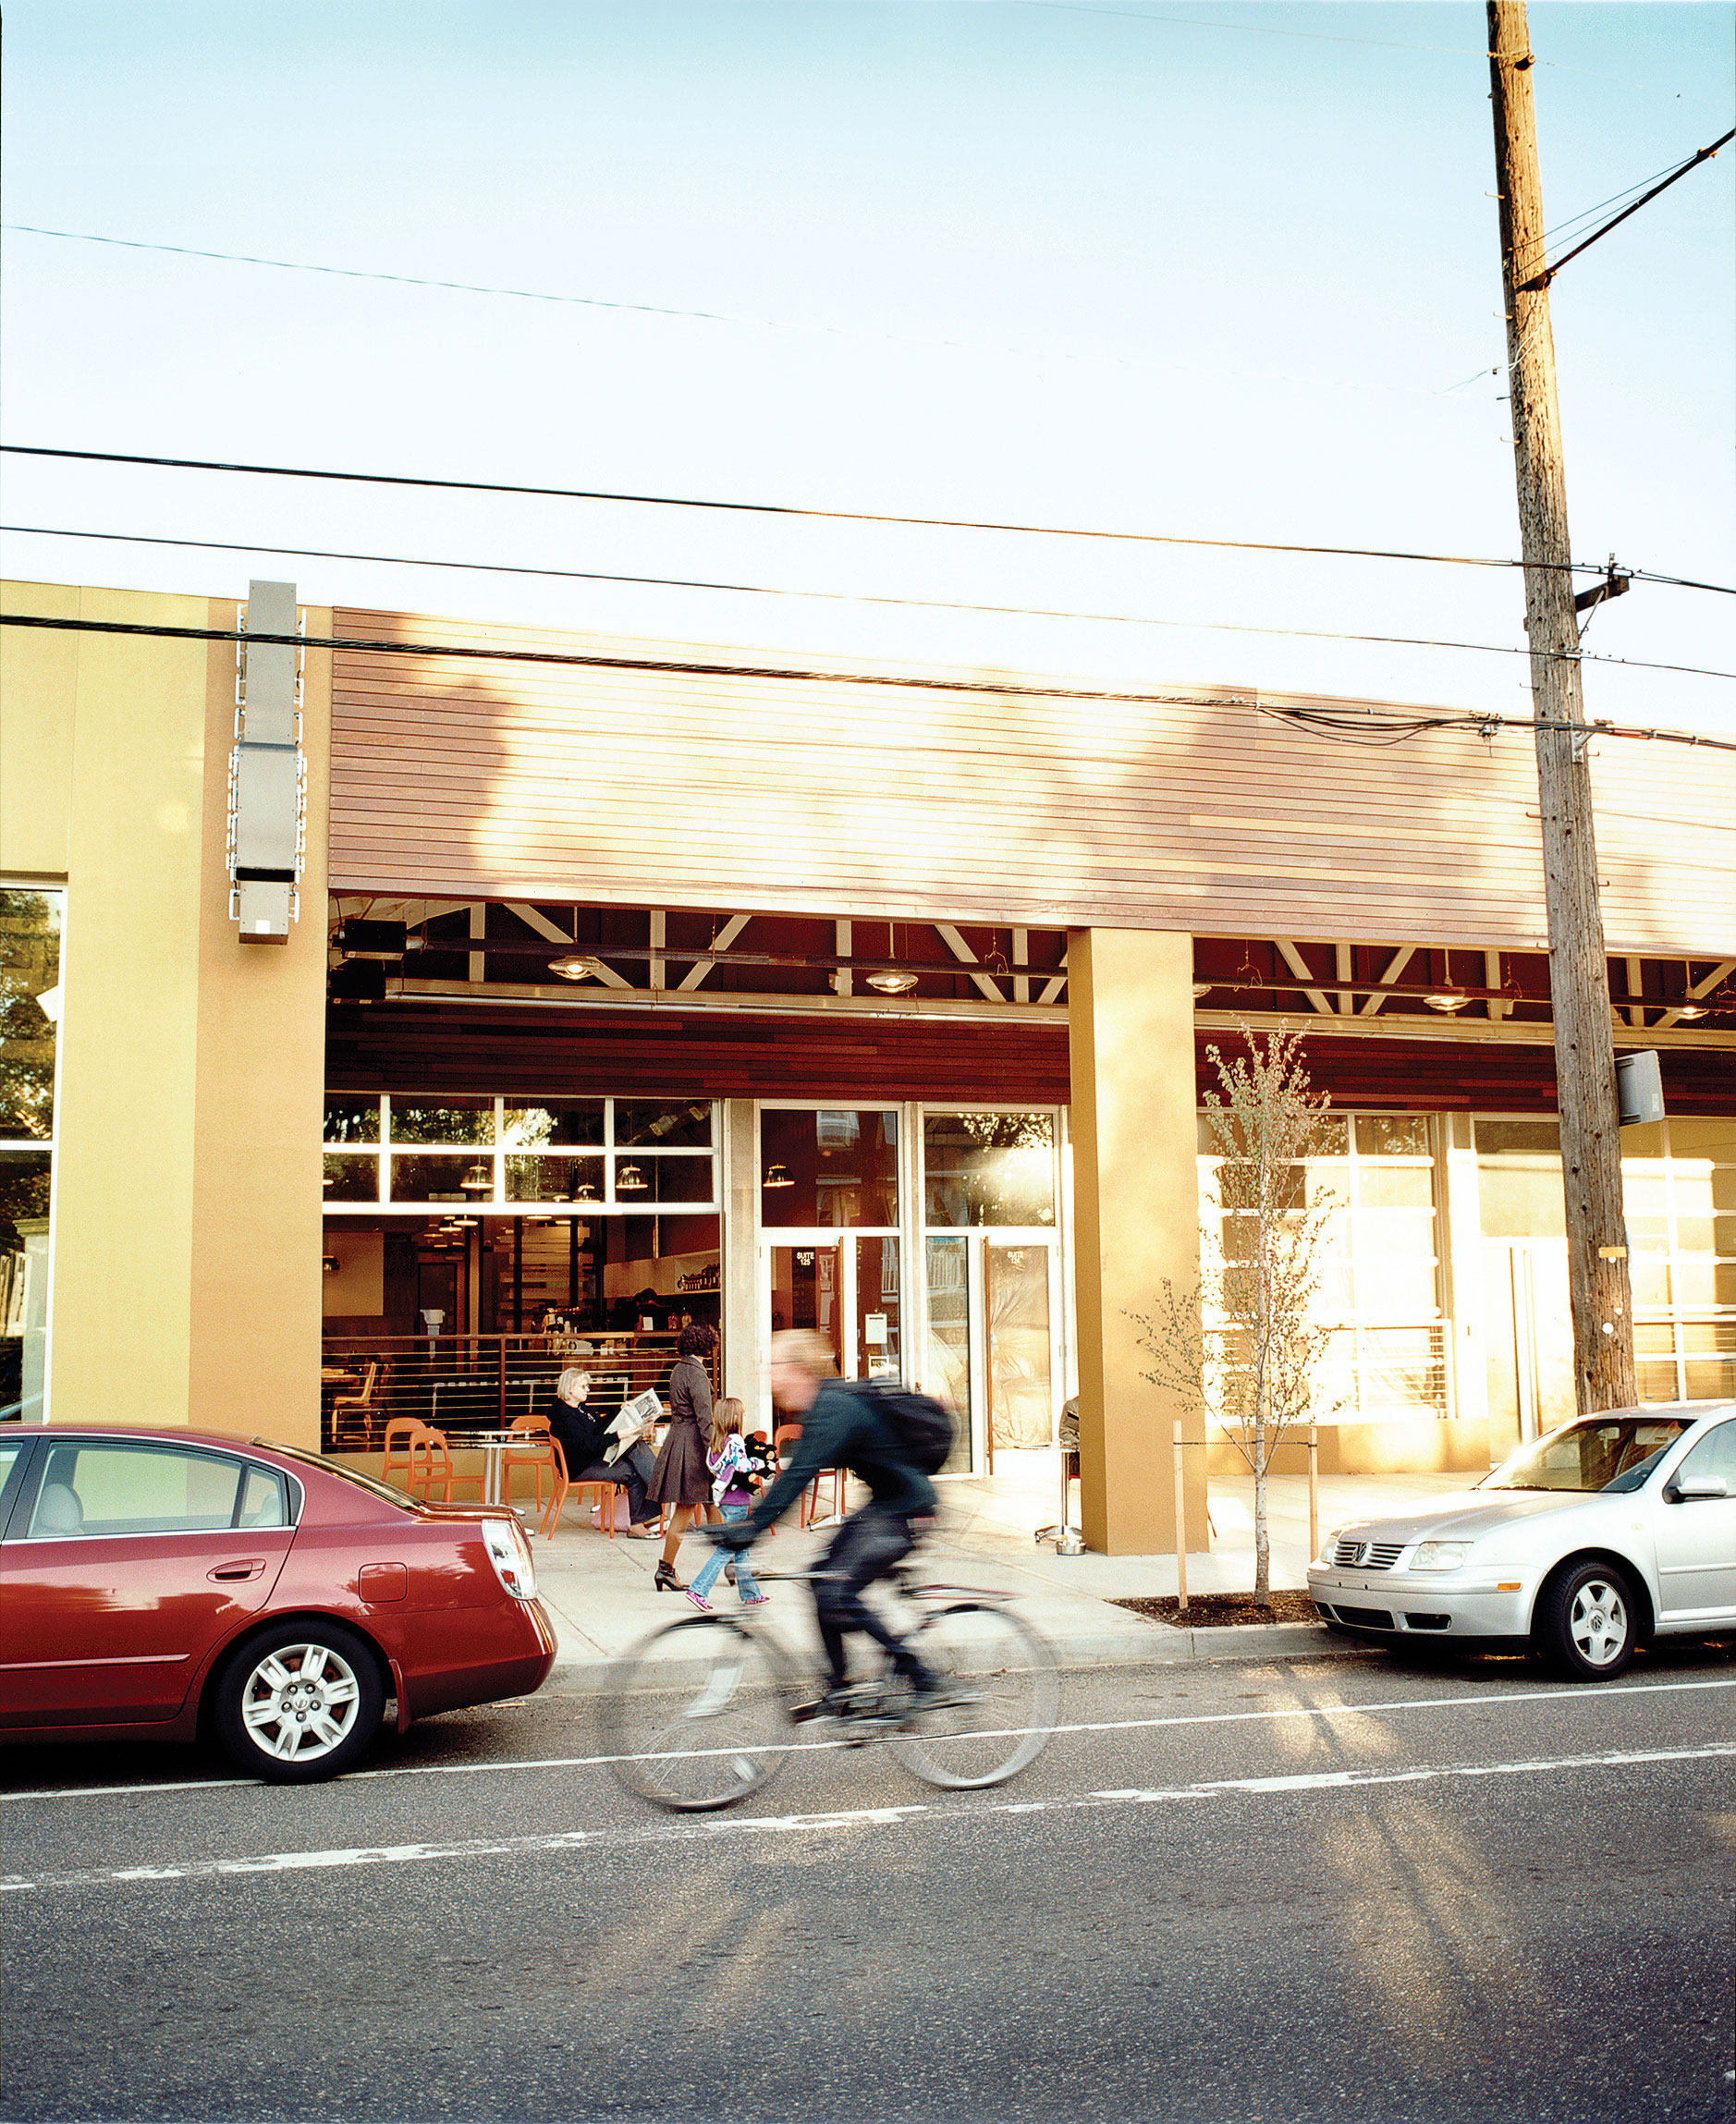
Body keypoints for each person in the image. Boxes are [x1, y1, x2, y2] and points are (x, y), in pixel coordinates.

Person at [704, 1328, 956, 1715]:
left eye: (774, 1366)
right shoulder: (825, 1405)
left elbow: (796, 1477)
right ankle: (840, 1691)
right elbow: (796, 1475)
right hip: (887, 1505)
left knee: (836, 1592)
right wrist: (748, 1528)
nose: (768, 1377)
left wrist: (749, 1531)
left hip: (907, 1510)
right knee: (822, 1580)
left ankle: (923, 1678)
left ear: (798, 1368)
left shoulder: (834, 1408)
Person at [545, 1366, 660, 1538]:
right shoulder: (563, 1415)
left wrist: (620, 1410)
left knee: (636, 1446)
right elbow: (586, 1444)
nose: (588, 1390)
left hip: (592, 1459)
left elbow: (599, 1426)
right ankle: (650, 1503)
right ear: (569, 1388)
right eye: (583, 1386)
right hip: (580, 1467)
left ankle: (657, 1487)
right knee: (633, 1473)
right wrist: (618, 1436)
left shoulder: (581, 1408)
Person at [645, 1321, 717, 1591]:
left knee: (710, 1502)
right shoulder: (697, 1373)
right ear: (706, 1345)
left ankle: (733, 1561)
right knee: (687, 1508)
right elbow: (705, 1420)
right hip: (695, 1447)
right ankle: (665, 1568)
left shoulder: (677, 1369)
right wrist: (717, 1452)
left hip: (680, 1441)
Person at [684, 1397, 769, 1612]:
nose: (744, 1417)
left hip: (724, 1499)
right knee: (727, 1549)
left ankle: (751, 1595)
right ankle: (698, 1590)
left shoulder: (717, 1441)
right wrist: (759, 1462)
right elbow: (741, 1465)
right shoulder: (735, 1440)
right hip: (737, 1500)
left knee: (741, 1550)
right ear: (735, 1417)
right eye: (743, 1414)